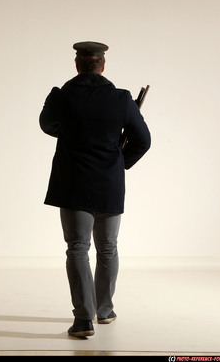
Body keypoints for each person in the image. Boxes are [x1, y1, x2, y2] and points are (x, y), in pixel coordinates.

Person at [39, 41, 151, 338]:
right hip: (109, 185)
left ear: (77, 65)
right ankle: (104, 311)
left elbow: (46, 125)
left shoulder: (61, 96)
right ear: (103, 66)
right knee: (108, 248)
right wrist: (119, 164)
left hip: (74, 183)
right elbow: (143, 141)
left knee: (77, 248)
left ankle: (83, 320)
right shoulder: (122, 99)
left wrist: (71, 131)